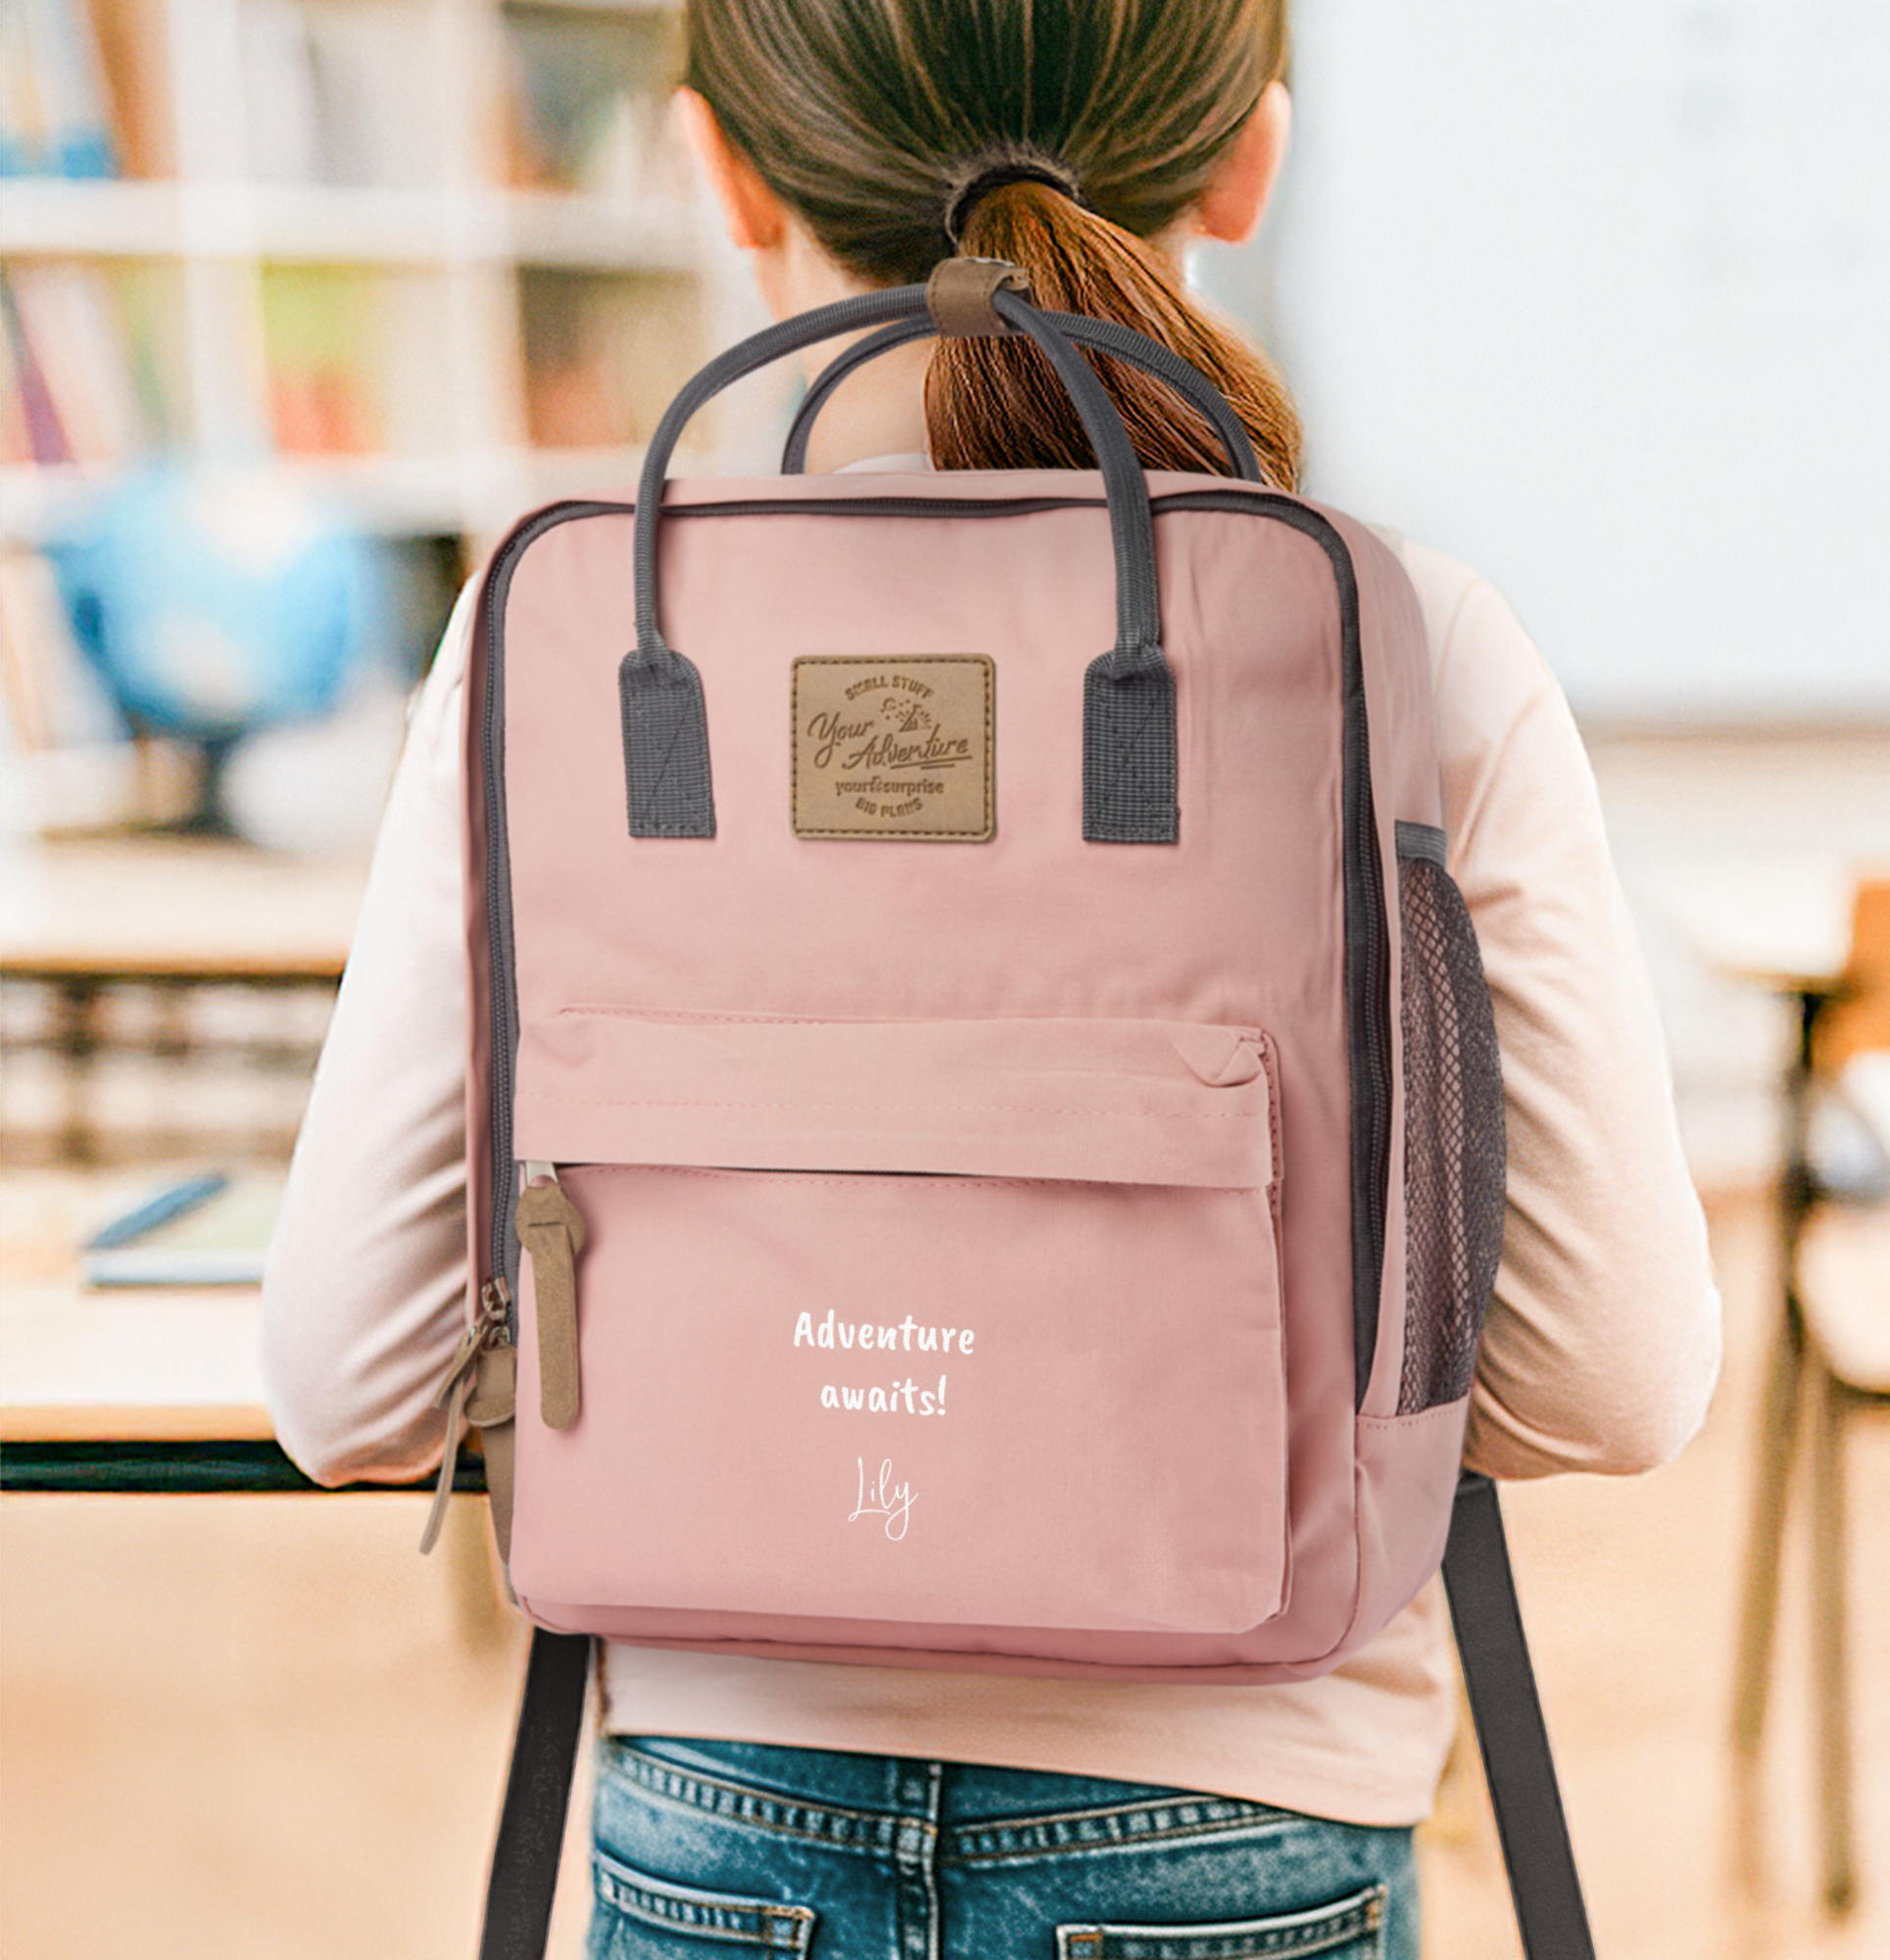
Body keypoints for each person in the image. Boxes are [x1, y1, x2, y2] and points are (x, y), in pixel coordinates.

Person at [261, 4, 1721, 1954]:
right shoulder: (1413, 646)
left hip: (713, 1825)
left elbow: (349, 1379)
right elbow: (1609, 1379)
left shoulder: (567, 650)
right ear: (1246, 158)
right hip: (1238, 1834)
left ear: (713, 169)